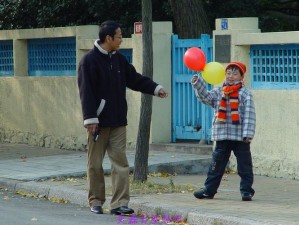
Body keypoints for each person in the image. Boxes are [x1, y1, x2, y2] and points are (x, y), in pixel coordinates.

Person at [77, 20, 168, 215]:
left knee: (120, 163)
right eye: (119, 36)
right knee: (95, 164)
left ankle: (119, 203)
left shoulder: (119, 60)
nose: (121, 40)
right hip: (98, 123)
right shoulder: (89, 61)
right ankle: (96, 201)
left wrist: (155, 88)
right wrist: (91, 119)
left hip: (118, 121)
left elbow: (134, 79)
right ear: (108, 38)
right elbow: (86, 93)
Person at [191, 62, 256, 201]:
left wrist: (247, 134)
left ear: (241, 76)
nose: (231, 76)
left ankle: (247, 191)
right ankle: (209, 190)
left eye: (235, 73)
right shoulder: (219, 91)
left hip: (240, 136)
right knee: (216, 165)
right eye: (229, 73)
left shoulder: (245, 93)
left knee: (245, 165)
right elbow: (205, 97)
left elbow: (249, 114)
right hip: (221, 134)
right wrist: (198, 83)